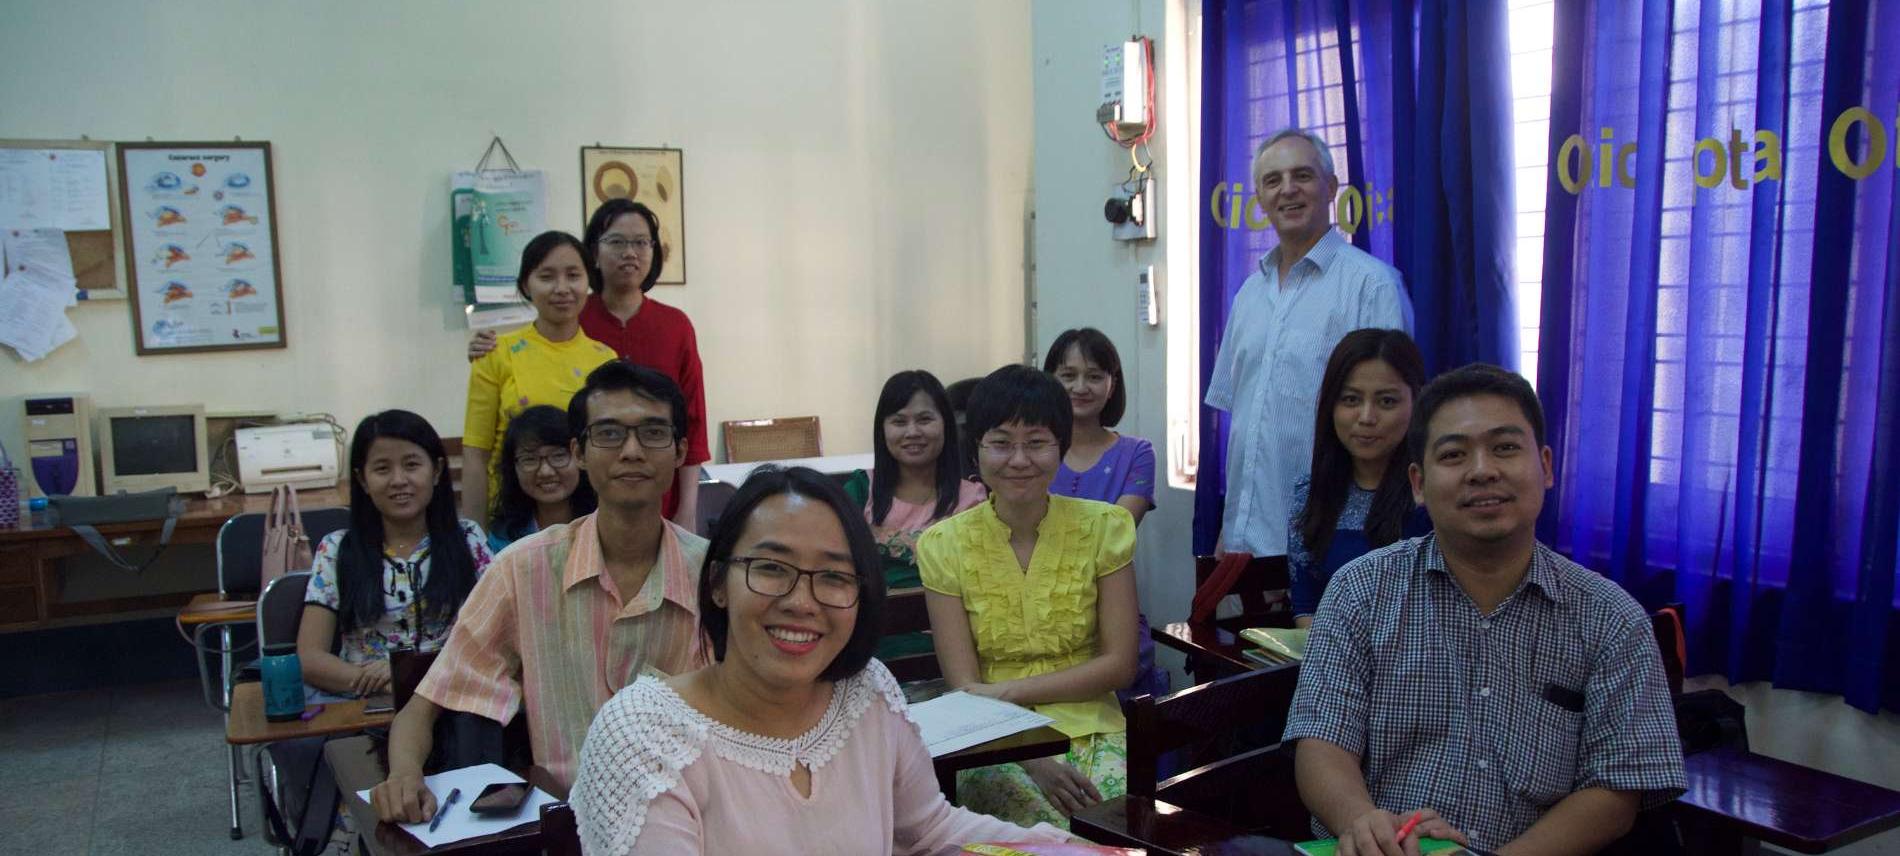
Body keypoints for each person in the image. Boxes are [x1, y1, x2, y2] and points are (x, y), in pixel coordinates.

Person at [1284, 364, 1685, 855]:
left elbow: (1616, 790)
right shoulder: (1359, 591)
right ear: (1418, 483)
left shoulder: (1611, 619)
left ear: (1546, 466)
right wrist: (1363, 823)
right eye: (1453, 454)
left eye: (1505, 448)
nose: (1482, 470)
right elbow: (1321, 742)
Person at [569, 467, 1070, 855]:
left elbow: (930, 829)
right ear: (719, 583)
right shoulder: (646, 737)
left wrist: (1065, 847)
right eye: (771, 568)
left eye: (833, 577)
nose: (802, 602)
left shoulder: (865, 692)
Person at [369, 361, 711, 821]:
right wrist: (403, 775)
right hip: (568, 825)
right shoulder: (523, 569)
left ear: (680, 450)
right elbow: (427, 702)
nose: (632, 451)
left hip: (693, 816)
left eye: (652, 433)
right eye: (609, 434)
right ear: (581, 452)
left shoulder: (714, 576)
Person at [1200, 127, 1413, 614]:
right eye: (1273, 181)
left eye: (1303, 176)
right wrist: (1230, 528)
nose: (1287, 190)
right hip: (1243, 548)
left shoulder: (1372, 285)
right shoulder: (1249, 294)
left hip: (1328, 542)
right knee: (1249, 685)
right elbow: (1244, 425)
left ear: (1332, 187)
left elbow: (1387, 423)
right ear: (1259, 198)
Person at [917, 364, 1140, 829]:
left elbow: (1119, 664)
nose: (1019, 459)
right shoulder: (943, 545)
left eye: (1037, 442)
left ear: (1061, 446)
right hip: (990, 741)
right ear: (976, 451)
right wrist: (1033, 759)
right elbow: (965, 688)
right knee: (1049, 832)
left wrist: (1008, 690)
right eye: (1000, 443)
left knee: (1110, 830)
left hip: (1096, 727)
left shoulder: (1104, 528)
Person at [469, 201, 709, 529]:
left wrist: (688, 510)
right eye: (617, 241)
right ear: (594, 251)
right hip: (526, 508)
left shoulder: (672, 326)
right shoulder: (563, 319)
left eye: (641, 242)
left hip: (633, 495)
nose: (630, 252)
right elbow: (479, 449)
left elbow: (692, 420)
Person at [298, 410, 491, 697]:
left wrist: (411, 676)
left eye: (412, 465)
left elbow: (495, 636)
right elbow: (310, 658)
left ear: (436, 471)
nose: (399, 480)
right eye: (382, 469)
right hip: (367, 701)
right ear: (362, 480)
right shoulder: (336, 550)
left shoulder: (468, 539)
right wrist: (388, 682)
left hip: (452, 695)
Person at [1041, 328, 1165, 700]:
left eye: (1095, 376)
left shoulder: (1138, 453)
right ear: (1049, 381)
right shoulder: (1031, 452)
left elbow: (1115, 532)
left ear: (1112, 385)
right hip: (1038, 619)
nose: (1081, 386)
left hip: (1112, 617)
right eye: (1068, 375)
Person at [461, 230, 616, 523]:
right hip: (512, 519)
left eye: (573, 275)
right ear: (525, 285)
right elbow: (475, 455)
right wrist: (475, 543)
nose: (561, 288)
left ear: (588, 282)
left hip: (589, 519)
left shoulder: (605, 360)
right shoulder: (496, 353)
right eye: (546, 277)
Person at [1287, 329, 1430, 627]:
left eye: (1387, 402)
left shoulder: (1432, 492)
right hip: (1332, 660)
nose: (1366, 417)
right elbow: (1306, 607)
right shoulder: (1309, 491)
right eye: (1351, 400)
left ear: (1417, 403)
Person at [841, 370, 987, 657]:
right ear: (882, 429)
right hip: (870, 650)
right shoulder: (860, 491)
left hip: (952, 648)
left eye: (924, 419)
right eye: (899, 421)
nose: (912, 432)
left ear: (946, 424)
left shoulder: (973, 499)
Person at [487, 405, 597, 553]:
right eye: (530, 459)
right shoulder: (503, 538)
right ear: (513, 467)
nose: (546, 471)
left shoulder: (604, 522)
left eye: (558, 456)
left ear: (580, 457)